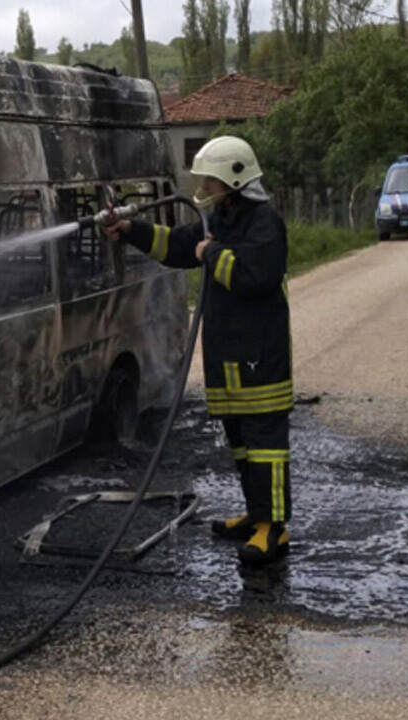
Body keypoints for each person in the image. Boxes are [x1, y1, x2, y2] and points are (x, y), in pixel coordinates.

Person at [102, 136, 293, 566]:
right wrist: (131, 231)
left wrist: (213, 253)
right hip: (229, 353)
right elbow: (180, 245)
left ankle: (274, 529)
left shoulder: (264, 222)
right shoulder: (222, 217)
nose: (204, 187)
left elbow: (256, 276)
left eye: (209, 179)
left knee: (266, 444)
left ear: (233, 178)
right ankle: (256, 514)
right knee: (241, 442)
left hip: (260, 355)